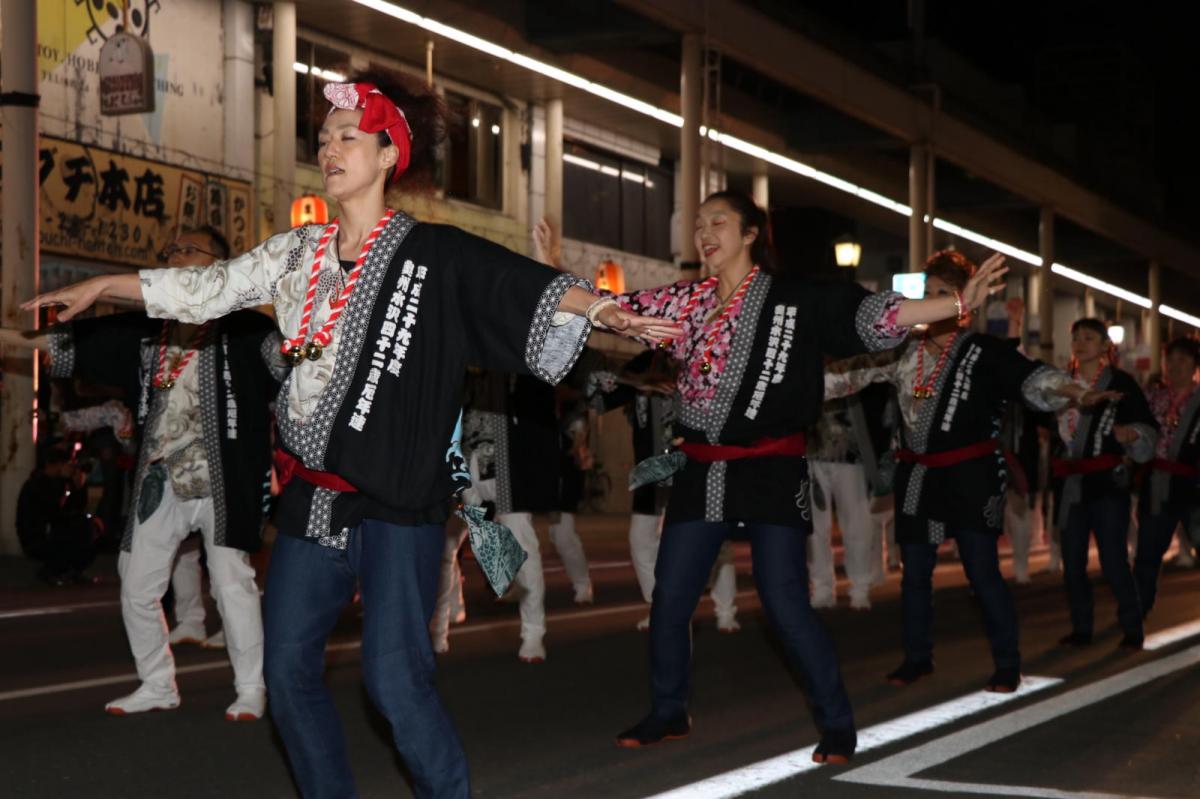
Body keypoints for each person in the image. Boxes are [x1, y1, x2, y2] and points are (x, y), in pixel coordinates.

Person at [23, 72, 668, 798]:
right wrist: (104, 288)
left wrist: (601, 309)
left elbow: (514, 286)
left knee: (395, 683)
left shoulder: (435, 255)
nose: (328, 148)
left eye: (347, 137)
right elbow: (207, 287)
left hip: (397, 508)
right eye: (324, 138)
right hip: (312, 504)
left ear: (389, 153)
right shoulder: (295, 254)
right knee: (287, 672)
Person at [606, 191, 1009, 763]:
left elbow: (879, 314)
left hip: (771, 467)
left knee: (784, 602)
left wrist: (955, 307)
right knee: (670, 597)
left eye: (718, 221)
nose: (704, 233)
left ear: (750, 235)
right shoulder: (685, 301)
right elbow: (614, 308)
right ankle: (669, 710)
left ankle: (837, 722)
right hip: (702, 469)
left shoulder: (795, 299)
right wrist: (555, 283)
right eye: (698, 224)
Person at [3, 225, 282, 720]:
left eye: (186, 251)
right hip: (162, 479)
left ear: (220, 266)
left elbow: (298, 366)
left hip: (226, 480)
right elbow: (55, 342)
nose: (173, 258)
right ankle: (157, 683)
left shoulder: (248, 330)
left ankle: (250, 688)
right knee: (135, 583)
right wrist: (8, 337)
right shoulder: (143, 332)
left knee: (231, 581)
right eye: (168, 250)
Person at [825, 251, 1110, 694]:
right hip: (918, 475)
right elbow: (848, 375)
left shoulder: (984, 353)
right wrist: (793, 381)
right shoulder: (905, 349)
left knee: (981, 570)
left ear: (964, 302)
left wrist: (1075, 390)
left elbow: (1032, 378)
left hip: (972, 474)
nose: (935, 302)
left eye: (945, 294)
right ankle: (917, 657)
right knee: (915, 573)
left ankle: (1007, 662)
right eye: (930, 294)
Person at [588, 350, 741, 632]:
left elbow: (717, 379)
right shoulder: (644, 361)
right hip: (651, 473)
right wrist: (639, 382)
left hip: (695, 470)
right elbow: (598, 391)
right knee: (640, 540)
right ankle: (660, 607)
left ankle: (725, 609)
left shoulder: (701, 353)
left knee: (716, 542)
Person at [1052, 318, 1157, 650]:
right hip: (1071, 483)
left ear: (1103, 347)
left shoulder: (1120, 382)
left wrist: (1132, 434)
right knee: (1072, 561)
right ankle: (1081, 627)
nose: (1081, 343)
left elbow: (1146, 425)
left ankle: (1132, 627)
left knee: (1113, 559)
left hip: (1108, 483)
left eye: (1089, 338)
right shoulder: (1063, 383)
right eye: (1077, 338)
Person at [1133, 337, 1200, 617]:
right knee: (1147, 552)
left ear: (1195, 366)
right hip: (1158, 484)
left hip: (1195, 487)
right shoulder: (1152, 397)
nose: (1175, 366)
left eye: (1183, 360)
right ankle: (1136, 611)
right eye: (1170, 360)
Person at [16, 443, 99, 586]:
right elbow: (54, 510)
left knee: (89, 526)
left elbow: (77, 507)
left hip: (56, 529)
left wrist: (79, 486)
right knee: (74, 530)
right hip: (39, 535)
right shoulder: (36, 484)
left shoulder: (63, 483)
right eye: (66, 464)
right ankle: (52, 570)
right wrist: (65, 482)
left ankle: (74, 570)